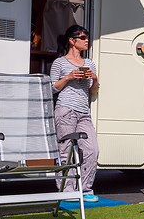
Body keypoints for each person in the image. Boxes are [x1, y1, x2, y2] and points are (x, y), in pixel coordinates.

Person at [50, 25, 99, 202]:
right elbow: (51, 88)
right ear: (72, 40)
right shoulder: (60, 63)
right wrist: (69, 77)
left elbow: (93, 91)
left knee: (92, 150)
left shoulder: (90, 63)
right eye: (84, 37)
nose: (87, 41)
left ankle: (85, 190)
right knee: (65, 152)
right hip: (65, 110)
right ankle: (67, 190)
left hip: (83, 112)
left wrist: (94, 78)